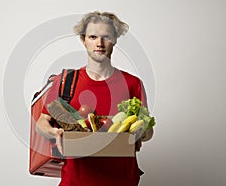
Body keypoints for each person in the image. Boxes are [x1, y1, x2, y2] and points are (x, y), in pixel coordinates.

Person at [36, 11, 154, 186]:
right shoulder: (65, 81)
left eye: (106, 36)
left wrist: (141, 133)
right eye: (92, 37)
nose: (99, 43)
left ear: (114, 40)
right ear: (83, 40)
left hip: (122, 181)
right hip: (74, 182)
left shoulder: (132, 83)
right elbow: (41, 123)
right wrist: (55, 132)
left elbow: (148, 132)